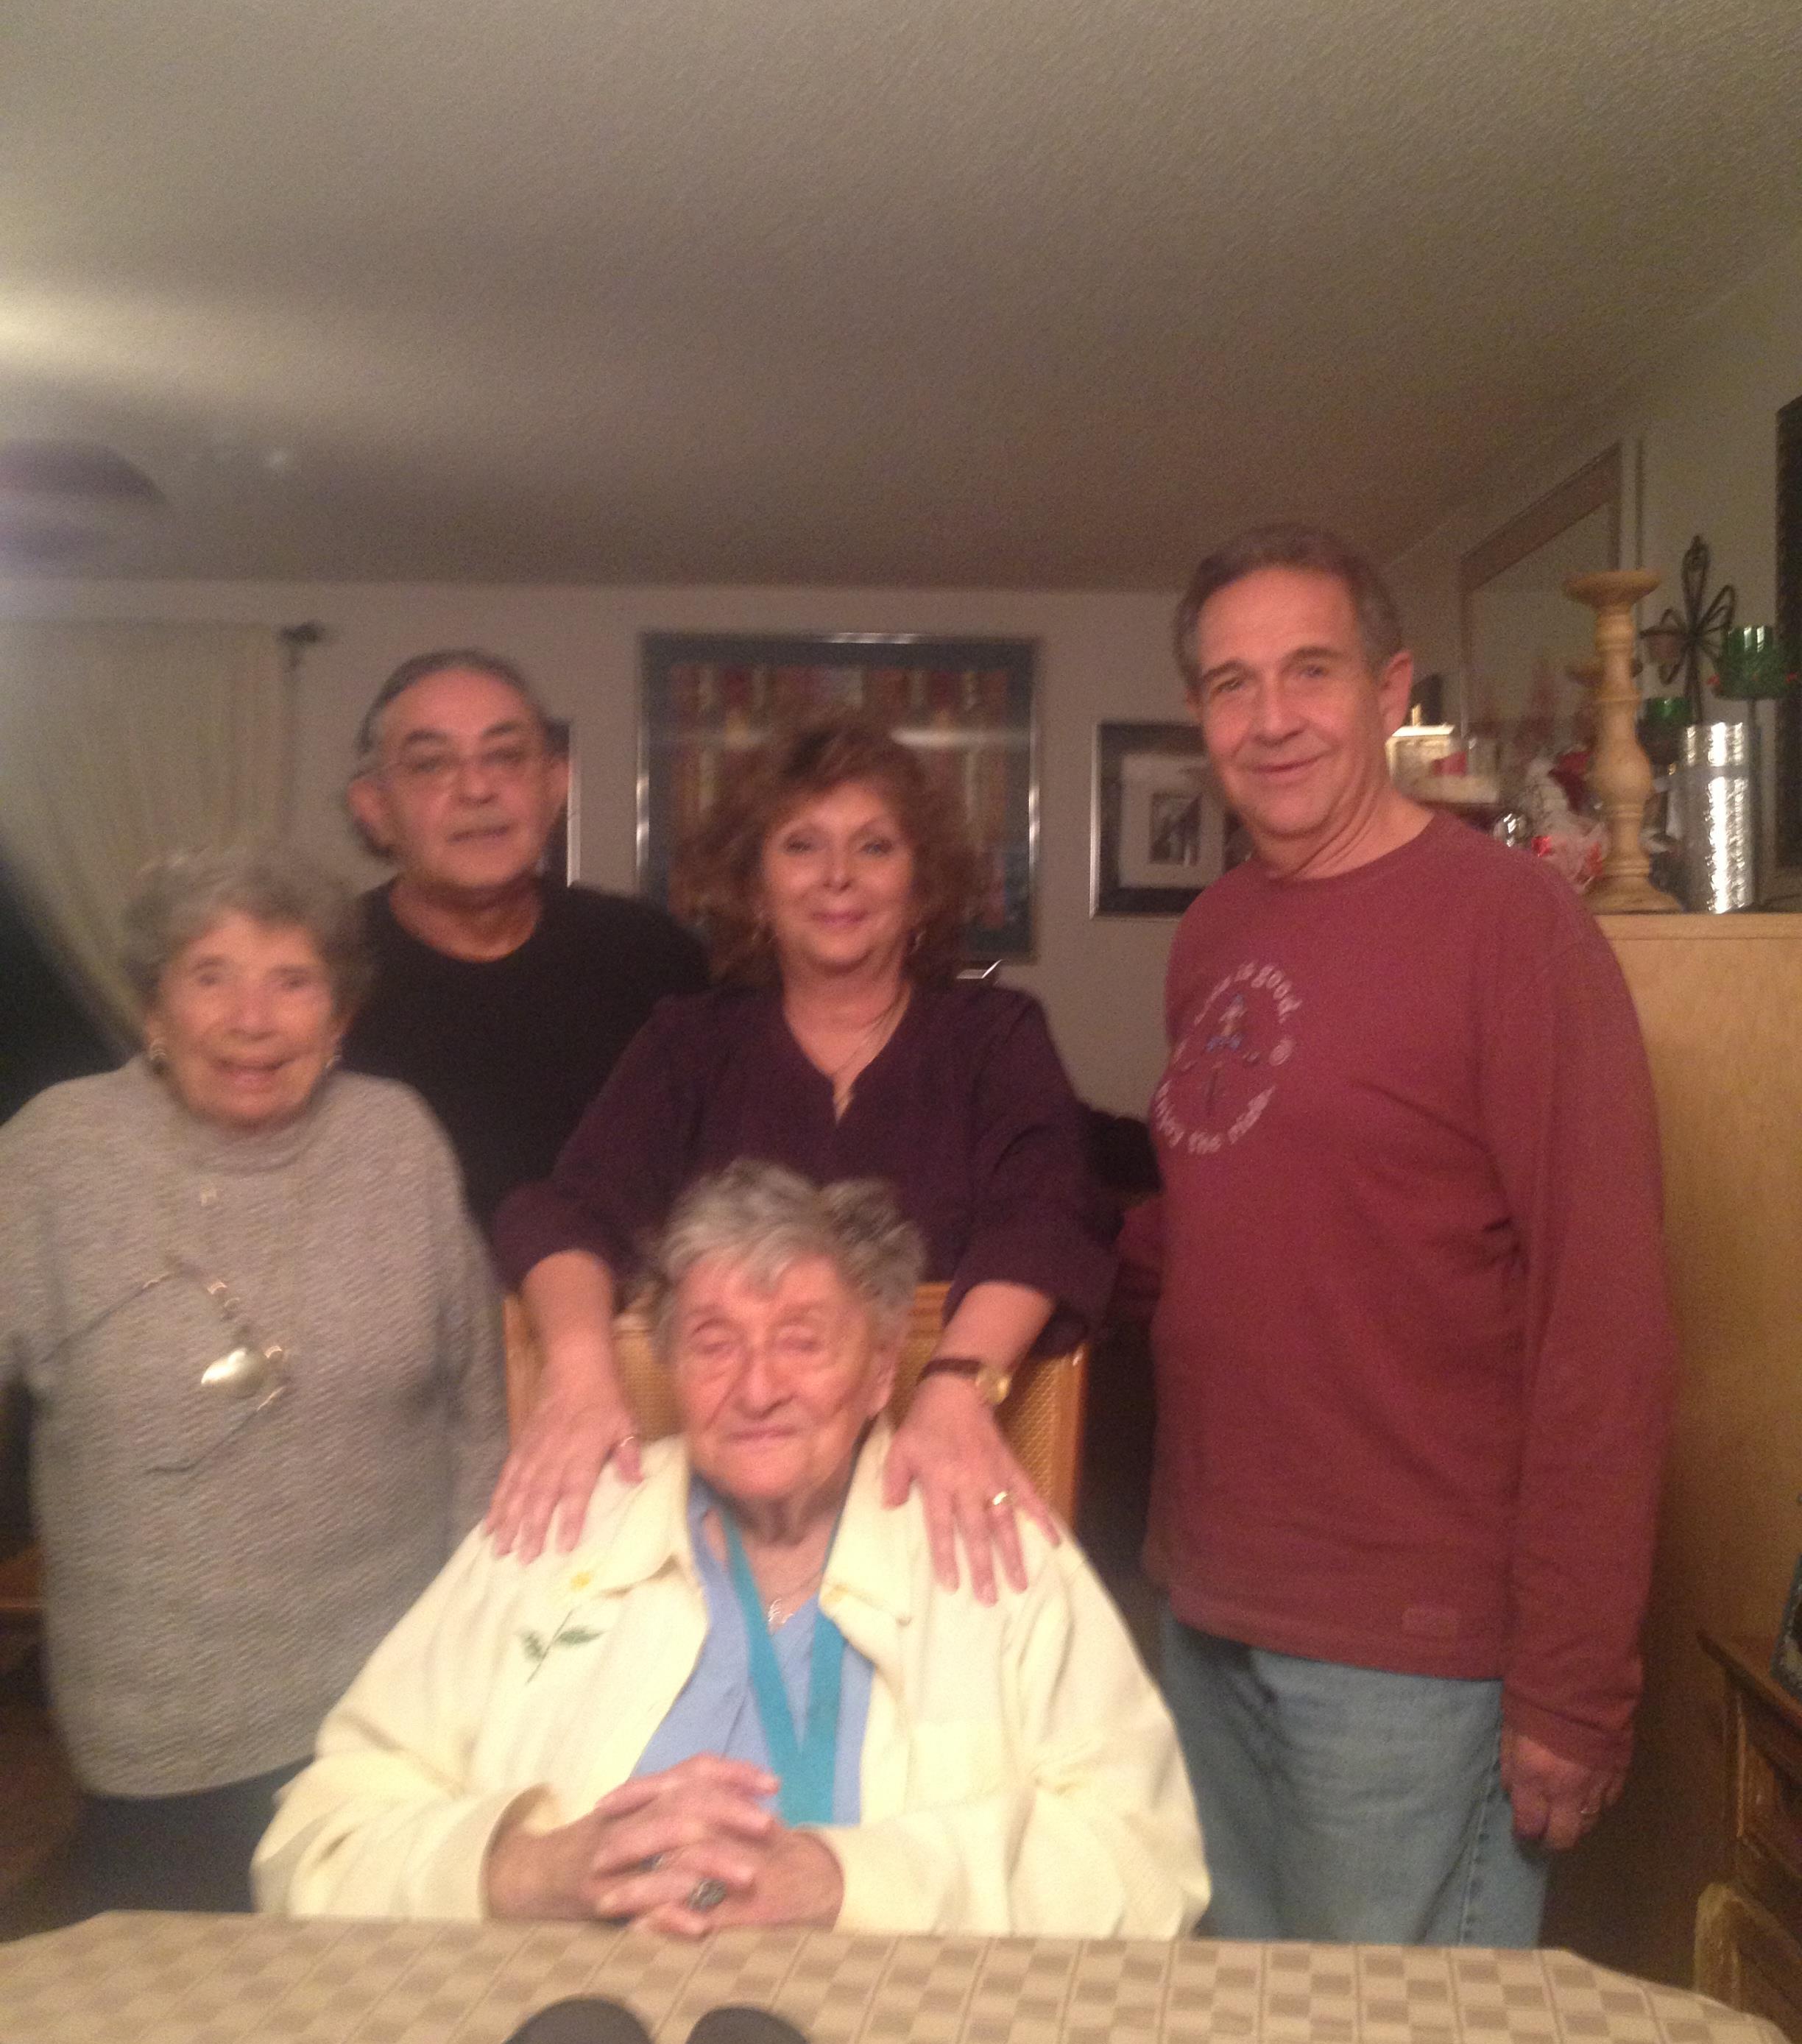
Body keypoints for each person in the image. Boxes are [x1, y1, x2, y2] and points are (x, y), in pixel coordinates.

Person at [1138, 524, 1675, 1947]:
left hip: (1411, 1651)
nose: (1270, 717)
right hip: (1210, 1610)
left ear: (1388, 689)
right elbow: (1251, 1225)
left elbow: (1605, 1322)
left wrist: (1573, 1680)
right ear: (1199, 712)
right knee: (1233, 2043)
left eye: (1308, 670)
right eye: (1231, 682)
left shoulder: (1510, 927)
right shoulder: (1212, 930)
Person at [255, 1161, 1207, 1936]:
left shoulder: (990, 1544)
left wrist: (847, 1879)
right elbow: (316, 1841)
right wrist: (530, 1870)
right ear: (671, 1363)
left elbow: (1147, 1864)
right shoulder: (555, 1529)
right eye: (714, 1343)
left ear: (881, 1372)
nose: (757, 1389)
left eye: (803, 1341)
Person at [489, 713, 1113, 1596]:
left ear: (922, 885)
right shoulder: (688, 1044)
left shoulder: (996, 1037)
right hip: (721, 1513)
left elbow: (1046, 1221)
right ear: (754, 886)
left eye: (875, 846)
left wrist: (956, 1386)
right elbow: (566, 1216)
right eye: (801, 846)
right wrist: (581, 1371)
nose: (837, 876)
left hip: (935, 1500)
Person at [0, 843, 506, 1920]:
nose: (251, 1018)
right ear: (155, 1007)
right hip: (161, 1733)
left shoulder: (396, 1139)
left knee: (393, 1998)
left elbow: (477, 1400)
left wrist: (474, 1643)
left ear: (338, 1016)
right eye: (211, 975)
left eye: (292, 981)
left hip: (397, 1715)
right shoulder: (54, 1156)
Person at [342, 648, 707, 1228]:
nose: (477, 788)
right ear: (375, 808)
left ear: (556, 784)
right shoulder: (319, 968)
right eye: (431, 765)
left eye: (506, 756)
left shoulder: (653, 956)